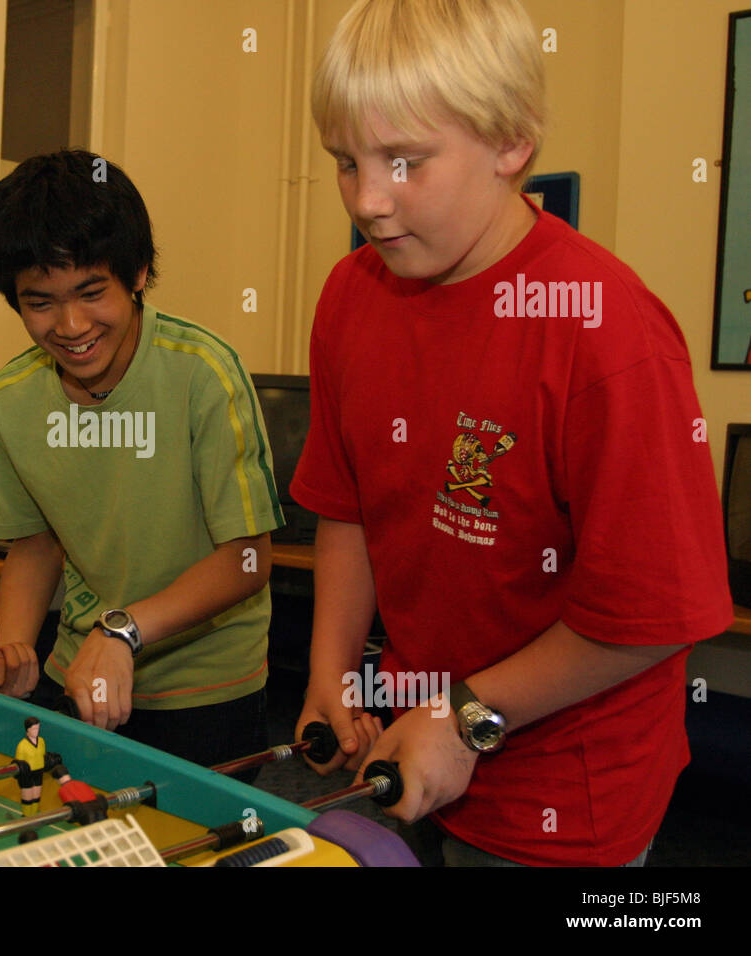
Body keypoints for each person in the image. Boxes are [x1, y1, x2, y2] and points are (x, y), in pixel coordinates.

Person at [291, 0, 733, 867]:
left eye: (405, 161)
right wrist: (331, 671)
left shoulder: (607, 332)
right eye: (346, 162)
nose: (370, 202)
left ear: (511, 144)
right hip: (422, 746)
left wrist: (465, 720)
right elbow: (347, 508)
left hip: (570, 789)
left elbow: (649, 618)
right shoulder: (351, 296)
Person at [0, 149, 283, 770]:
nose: (70, 325)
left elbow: (248, 560)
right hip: (80, 674)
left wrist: (124, 629)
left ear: (138, 274)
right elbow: (34, 544)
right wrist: (13, 645)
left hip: (206, 690)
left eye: (92, 292)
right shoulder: (8, 401)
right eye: (40, 302)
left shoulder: (203, 375)